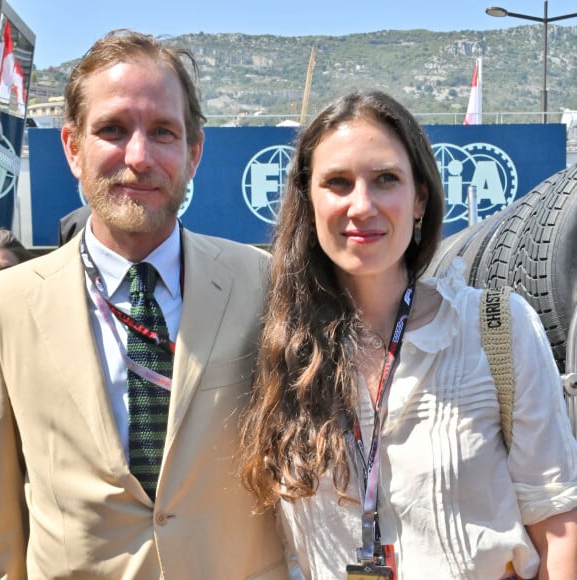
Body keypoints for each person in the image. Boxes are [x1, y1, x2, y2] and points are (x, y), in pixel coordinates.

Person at [238, 90, 577, 579]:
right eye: (337, 182)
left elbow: (558, 523)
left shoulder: (497, 330)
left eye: (385, 180)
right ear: (308, 200)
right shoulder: (278, 349)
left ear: (419, 197)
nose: (362, 205)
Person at [0, 29, 287, 578]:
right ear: (73, 148)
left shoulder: (263, 285)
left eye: (162, 132)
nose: (138, 156)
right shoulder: (7, 306)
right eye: (112, 129)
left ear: (194, 152)